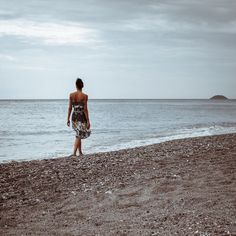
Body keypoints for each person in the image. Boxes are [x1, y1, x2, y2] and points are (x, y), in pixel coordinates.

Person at [67, 78, 91, 157]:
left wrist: (68, 118)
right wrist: (88, 121)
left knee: (78, 133)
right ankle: (74, 153)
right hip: (81, 116)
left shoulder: (71, 95)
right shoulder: (85, 96)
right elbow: (85, 109)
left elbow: (70, 108)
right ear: (82, 86)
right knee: (79, 134)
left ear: (76, 85)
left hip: (74, 116)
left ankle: (80, 152)